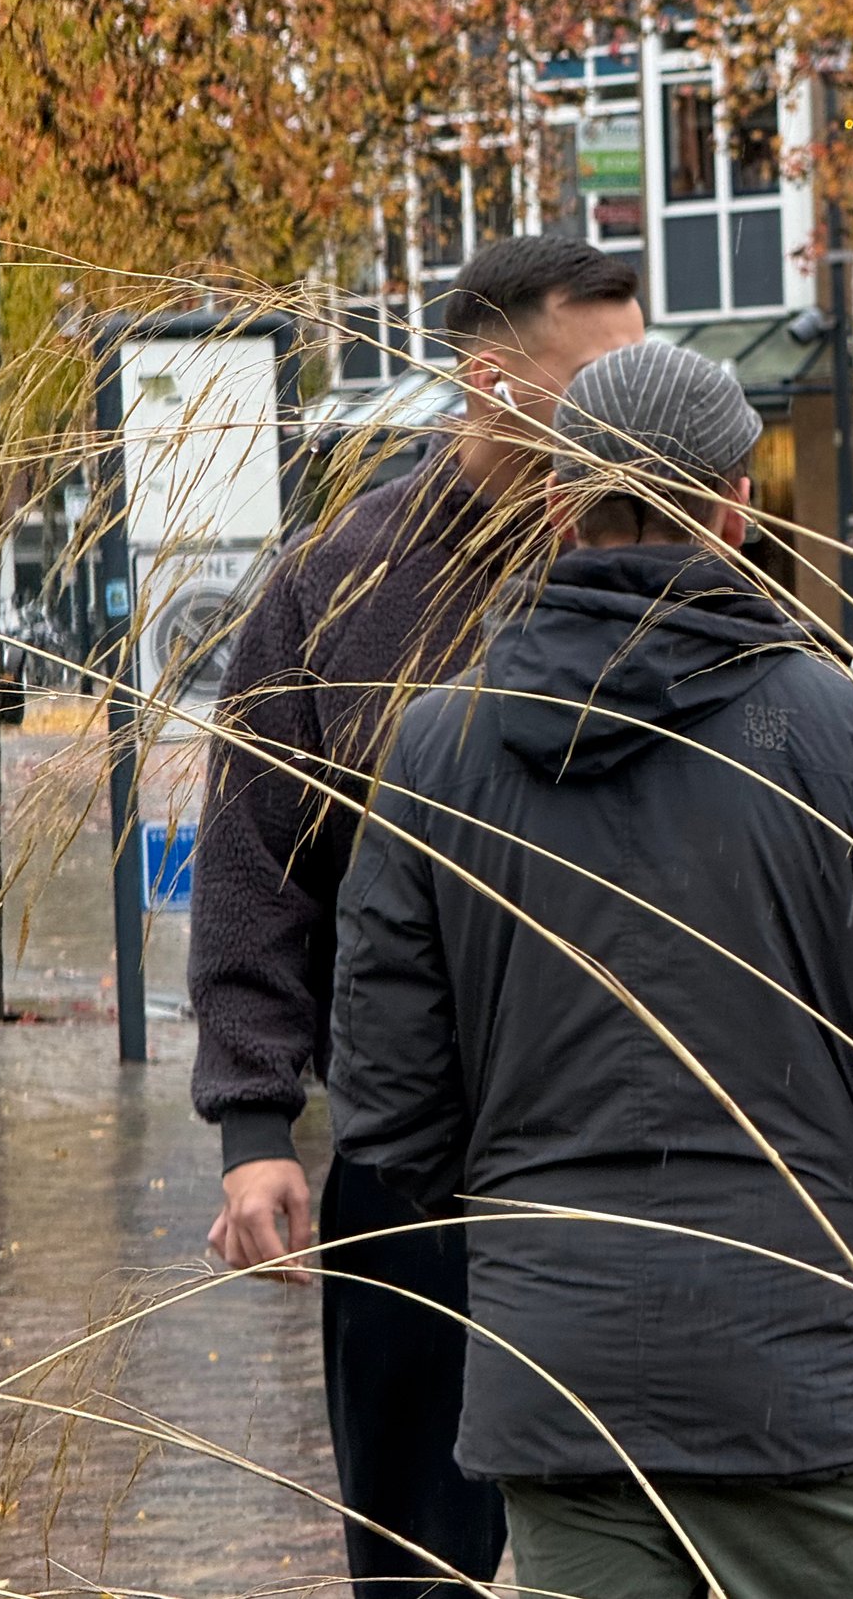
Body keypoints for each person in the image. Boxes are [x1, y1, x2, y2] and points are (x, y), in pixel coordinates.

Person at [328, 338, 853, 1599]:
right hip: (793, 1353)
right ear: (738, 507)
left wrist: (522, 1226)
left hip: (555, 1367)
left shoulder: (436, 748)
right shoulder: (838, 730)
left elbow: (385, 1101)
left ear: (552, 500)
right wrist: (821, 1204)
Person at [188, 233, 643, 1597]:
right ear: (494, 382)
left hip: (633, 1155)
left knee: (631, 1555)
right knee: (414, 1560)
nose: (630, 414)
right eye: (601, 381)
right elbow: (251, 859)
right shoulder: (341, 582)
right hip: (408, 1158)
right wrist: (255, 1126)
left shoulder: (668, 564)